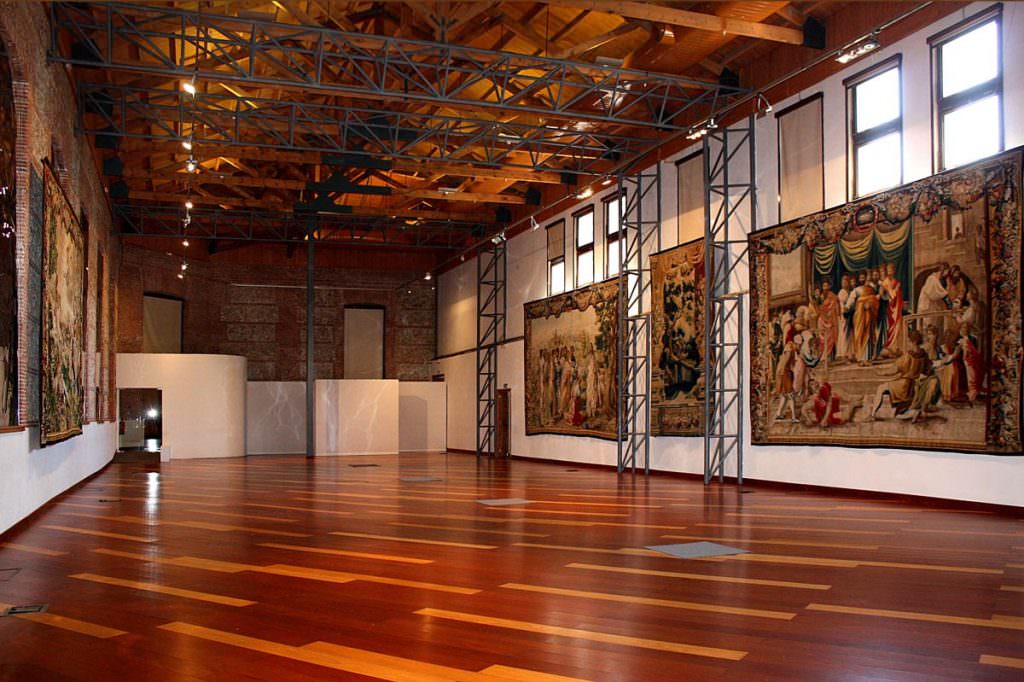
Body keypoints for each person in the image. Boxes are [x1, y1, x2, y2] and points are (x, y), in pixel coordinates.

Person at [868, 329, 929, 419]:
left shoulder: (908, 356)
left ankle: (873, 414)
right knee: (898, 414)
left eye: (909, 341)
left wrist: (880, 372)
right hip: (912, 387)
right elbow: (927, 370)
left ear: (914, 341)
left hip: (903, 385)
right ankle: (914, 413)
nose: (908, 343)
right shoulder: (924, 355)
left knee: (881, 388)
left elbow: (894, 370)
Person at [851, 271, 879, 365]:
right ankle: (860, 358)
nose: (863, 279)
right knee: (859, 335)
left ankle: (867, 359)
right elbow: (851, 301)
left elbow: (874, 299)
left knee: (868, 336)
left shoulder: (871, 289)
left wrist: (870, 304)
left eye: (864, 277)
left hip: (869, 315)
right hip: (859, 316)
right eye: (861, 278)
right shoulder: (856, 290)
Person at [880, 262, 904, 356]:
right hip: (889, 309)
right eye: (889, 269)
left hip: (896, 309)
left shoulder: (896, 281)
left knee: (897, 326)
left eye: (892, 269)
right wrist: (896, 290)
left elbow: (898, 296)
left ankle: (895, 348)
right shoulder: (885, 282)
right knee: (890, 327)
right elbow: (887, 296)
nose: (890, 271)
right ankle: (889, 347)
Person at [817, 280, 840, 364]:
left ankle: (829, 357)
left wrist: (829, 311)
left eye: (827, 286)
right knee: (823, 339)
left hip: (831, 321)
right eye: (824, 286)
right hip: (823, 320)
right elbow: (819, 308)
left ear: (829, 286)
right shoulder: (821, 296)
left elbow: (834, 307)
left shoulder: (833, 296)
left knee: (830, 339)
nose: (825, 288)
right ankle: (824, 358)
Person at [836, 275, 852, 361]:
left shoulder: (850, 291)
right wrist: (844, 310)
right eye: (843, 282)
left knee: (849, 335)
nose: (844, 284)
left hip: (849, 314)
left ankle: (849, 354)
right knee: (844, 334)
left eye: (846, 282)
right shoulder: (842, 292)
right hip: (844, 315)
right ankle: (844, 354)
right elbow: (841, 304)